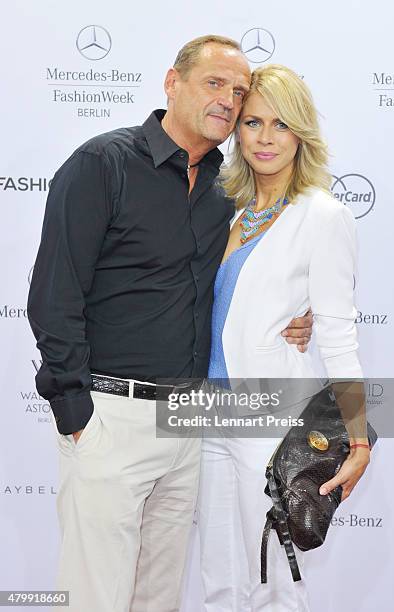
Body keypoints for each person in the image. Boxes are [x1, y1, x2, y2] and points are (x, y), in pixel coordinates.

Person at [27, 37, 313, 612]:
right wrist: (77, 416)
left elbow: (240, 280)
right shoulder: (100, 165)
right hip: (110, 417)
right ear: (171, 83)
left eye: (238, 92)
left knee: (158, 598)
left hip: (187, 424)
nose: (229, 102)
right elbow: (54, 298)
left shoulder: (224, 188)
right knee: (93, 597)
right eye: (215, 84)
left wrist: (291, 318)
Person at [197, 64, 371, 612]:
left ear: (301, 133)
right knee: (220, 580)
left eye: (281, 124)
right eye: (252, 123)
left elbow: (340, 332)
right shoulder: (231, 212)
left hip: (271, 420)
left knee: (273, 579)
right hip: (209, 414)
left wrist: (359, 439)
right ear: (236, 131)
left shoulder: (322, 216)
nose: (266, 138)